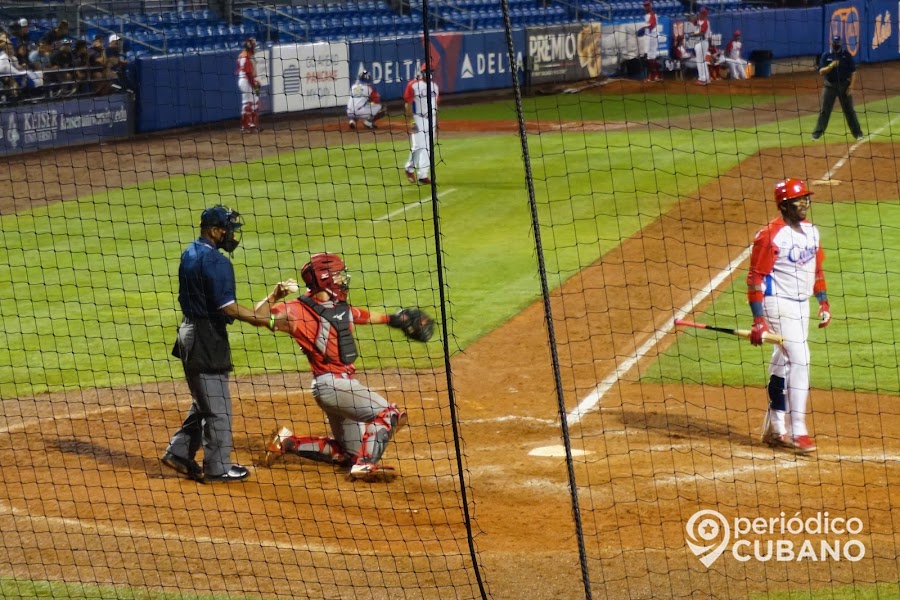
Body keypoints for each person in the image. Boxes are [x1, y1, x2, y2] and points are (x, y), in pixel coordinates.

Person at [255, 253, 414, 479]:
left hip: (338, 389)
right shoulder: (295, 311)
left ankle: (287, 442)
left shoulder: (338, 306)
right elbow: (257, 316)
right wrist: (275, 295)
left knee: (350, 453)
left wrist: (395, 319)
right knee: (391, 414)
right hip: (332, 385)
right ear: (324, 278)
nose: (343, 279)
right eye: (338, 275)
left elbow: (362, 316)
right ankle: (366, 465)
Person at [161, 205, 270, 483]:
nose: (231, 235)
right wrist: (264, 320)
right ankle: (217, 467)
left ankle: (179, 452)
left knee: (205, 399)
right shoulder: (217, 262)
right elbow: (229, 308)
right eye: (227, 229)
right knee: (218, 408)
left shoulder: (190, 251)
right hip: (206, 337)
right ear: (213, 230)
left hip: (188, 331)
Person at [748, 179, 831, 454]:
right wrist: (758, 320)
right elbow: (755, 277)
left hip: (801, 305)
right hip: (777, 303)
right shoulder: (771, 235)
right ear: (784, 205)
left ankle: (776, 427)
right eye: (799, 199)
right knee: (801, 358)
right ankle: (798, 431)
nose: (805, 203)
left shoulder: (811, 232)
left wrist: (823, 301)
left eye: (806, 198)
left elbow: (816, 269)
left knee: (783, 359)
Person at [811, 35, 864, 142]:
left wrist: (851, 86)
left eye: (838, 44)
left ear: (840, 43)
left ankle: (858, 134)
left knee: (849, 111)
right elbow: (821, 72)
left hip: (844, 86)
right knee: (824, 111)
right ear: (832, 43)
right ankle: (817, 134)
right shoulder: (826, 55)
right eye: (835, 44)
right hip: (830, 86)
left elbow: (853, 72)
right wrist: (831, 66)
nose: (836, 46)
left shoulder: (846, 55)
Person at [403, 63, 439, 185]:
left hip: (431, 119)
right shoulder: (413, 85)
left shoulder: (435, 87)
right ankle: (409, 168)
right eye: (427, 71)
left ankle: (423, 175)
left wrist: (436, 122)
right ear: (422, 72)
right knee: (418, 146)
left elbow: (435, 105)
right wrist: (412, 121)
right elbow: (407, 103)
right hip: (419, 118)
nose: (429, 73)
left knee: (429, 148)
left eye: (431, 71)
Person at [236, 37, 260, 133]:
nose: (255, 48)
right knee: (250, 103)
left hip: (245, 80)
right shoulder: (246, 56)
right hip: (246, 81)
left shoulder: (243, 55)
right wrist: (254, 85)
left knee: (251, 102)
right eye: (254, 46)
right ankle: (248, 126)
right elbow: (248, 73)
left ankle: (249, 126)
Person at [637, 1, 661, 82]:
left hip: (653, 36)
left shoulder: (651, 15)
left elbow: (652, 25)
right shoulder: (649, 15)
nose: (645, 7)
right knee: (650, 57)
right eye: (645, 6)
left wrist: (644, 28)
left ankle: (653, 76)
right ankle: (655, 75)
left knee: (649, 57)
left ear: (650, 6)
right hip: (651, 36)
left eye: (647, 6)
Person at [689, 8, 711, 85]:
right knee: (702, 61)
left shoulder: (705, 22)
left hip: (702, 42)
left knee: (700, 61)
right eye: (700, 13)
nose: (700, 14)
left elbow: (702, 33)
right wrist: (689, 17)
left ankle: (702, 78)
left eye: (702, 13)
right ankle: (706, 78)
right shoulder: (699, 20)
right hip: (700, 42)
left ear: (705, 15)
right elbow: (693, 22)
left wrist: (693, 35)